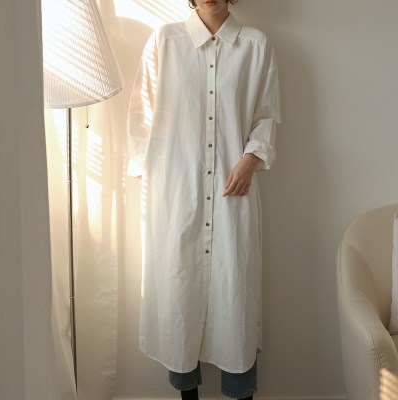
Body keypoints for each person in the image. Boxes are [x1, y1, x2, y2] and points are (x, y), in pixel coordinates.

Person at [126, 0, 281, 399]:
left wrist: (251, 159)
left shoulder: (255, 45)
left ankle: (241, 392)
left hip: (234, 192)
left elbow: (266, 115)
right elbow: (141, 117)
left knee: (236, 295)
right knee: (180, 291)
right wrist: (160, 180)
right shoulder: (165, 42)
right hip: (178, 195)